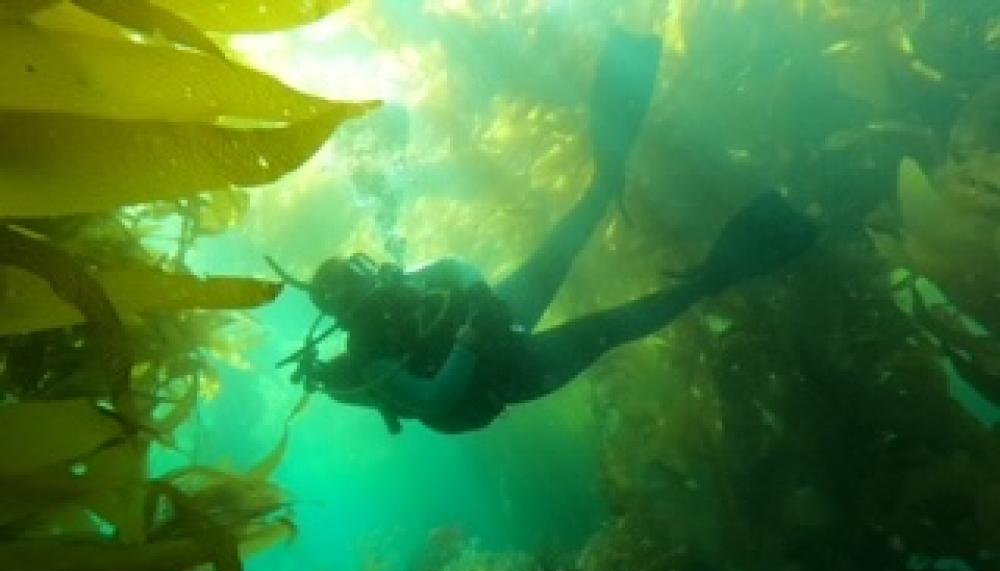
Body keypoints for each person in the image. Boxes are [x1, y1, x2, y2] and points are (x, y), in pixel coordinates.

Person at [269, 31, 819, 435]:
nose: (362, 283)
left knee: (574, 229)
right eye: (349, 286)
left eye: (355, 273)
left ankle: (624, 94)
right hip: (508, 376)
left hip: (498, 311)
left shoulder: (396, 285)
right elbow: (435, 401)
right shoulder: (370, 358)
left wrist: (478, 295)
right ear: (338, 309)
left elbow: (452, 267)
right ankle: (740, 256)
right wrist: (468, 343)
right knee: (616, 325)